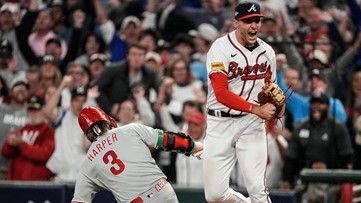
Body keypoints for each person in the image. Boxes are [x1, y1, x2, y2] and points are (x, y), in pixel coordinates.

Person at [204, 2, 277, 202]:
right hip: (220, 124)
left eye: (257, 21)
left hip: (251, 124)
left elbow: (271, 90)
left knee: (257, 189)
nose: (254, 26)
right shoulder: (220, 48)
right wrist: (256, 108)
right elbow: (221, 93)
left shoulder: (267, 52)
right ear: (236, 23)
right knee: (215, 196)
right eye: (247, 21)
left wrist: (276, 105)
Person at [71, 106, 203, 203]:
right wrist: (193, 147)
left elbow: (79, 201)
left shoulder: (87, 164)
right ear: (106, 120)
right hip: (162, 191)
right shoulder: (130, 129)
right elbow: (167, 139)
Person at [280, 92, 354, 203]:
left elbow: (347, 157)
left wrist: (327, 167)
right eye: (313, 103)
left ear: (328, 107)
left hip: (332, 182)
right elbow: (291, 156)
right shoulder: (301, 127)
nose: (316, 106)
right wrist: (286, 179)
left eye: (321, 103)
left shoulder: (337, 127)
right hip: (303, 180)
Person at [1, 95, 55, 180]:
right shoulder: (22, 129)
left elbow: (44, 154)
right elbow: (5, 152)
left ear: (43, 111)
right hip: (15, 182)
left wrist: (21, 144)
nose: (33, 114)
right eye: (30, 110)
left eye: (36, 110)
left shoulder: (49, 131)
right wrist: (10, 144)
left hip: (37, 184)